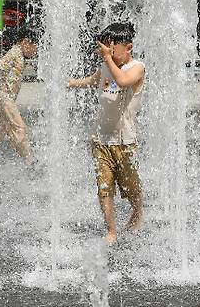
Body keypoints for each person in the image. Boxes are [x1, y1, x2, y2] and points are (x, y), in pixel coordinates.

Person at [68, 22, 145, 245]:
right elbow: (92, 81)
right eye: (105, 49)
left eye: (112, 49)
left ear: (128, 47)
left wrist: (108, 60)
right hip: (101, 138)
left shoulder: (137, 68)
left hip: (125, 141)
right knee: (104, 186)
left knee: (131, 186)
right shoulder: (106, 66)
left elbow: (122, 81)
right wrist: (69, 83)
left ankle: (138, 211)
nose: (107, 53)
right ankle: (111, 230)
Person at [0, 28, 38, 166]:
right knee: (20, 128)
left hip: (0, 98)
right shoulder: (15, 53)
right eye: (34, 48)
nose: (34, 52)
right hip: (5, 98)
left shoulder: (19, 54)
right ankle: (30, 162)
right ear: (26, 42)